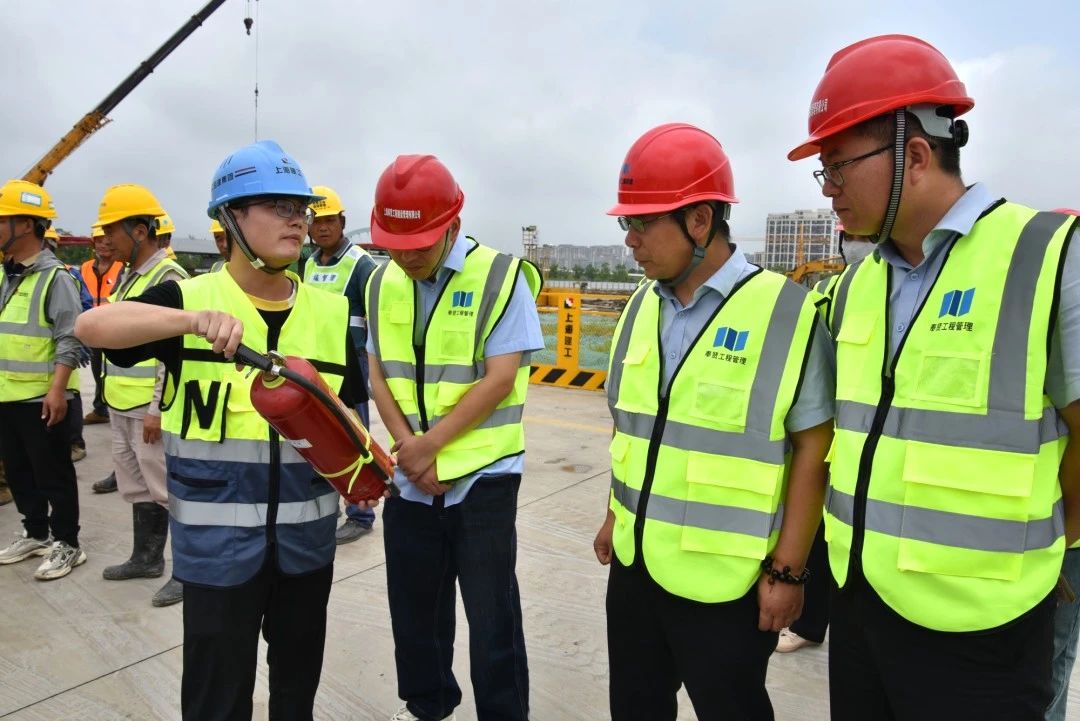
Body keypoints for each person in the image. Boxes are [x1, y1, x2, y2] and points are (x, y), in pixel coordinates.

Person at [789, 35, 1080, 721]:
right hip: (862, 604)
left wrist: (1052, 542)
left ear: (916, 155)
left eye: (838, 167)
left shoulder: (1046, 257)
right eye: (823, 171)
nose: (828, 189)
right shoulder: (857, 284)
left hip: (984, 629)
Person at [76, 140, 378, 721]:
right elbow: (93, 327)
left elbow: (349, 415)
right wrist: (189, 322)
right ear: (229, 218)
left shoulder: (331, 312)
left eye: (301, 207)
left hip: (306, 549)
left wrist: (372, 471)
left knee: (296, 693)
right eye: (277, 205)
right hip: (217, 553)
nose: (297, 219)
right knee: (216, 700)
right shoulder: (189, 299)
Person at [593, 123, 834, 720]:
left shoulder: (786, 312)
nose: (631, 241)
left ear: (700, 220)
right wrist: (614, 515)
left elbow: (815, 448)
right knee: (635, 708)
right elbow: (632, 428)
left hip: (729, 581)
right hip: (636, 565)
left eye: (642, 224)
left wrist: (789, 571)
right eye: (627, 225)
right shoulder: (640, 305)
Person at [366, 154, 542, 721]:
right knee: (414, 611)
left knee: (493, 619)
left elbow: (501, 377)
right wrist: (409, 451)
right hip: (411, 476)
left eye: (419, 242)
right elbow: (377, 372)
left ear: (453, 224)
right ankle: (426, 705)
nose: (407, 255)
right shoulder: (380, 281)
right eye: (395, 243)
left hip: (484, 478)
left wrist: (431, 445)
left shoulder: (500, 277)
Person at [94, 184, 189, 608]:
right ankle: (146, 558)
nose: (105, 239)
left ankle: (186, 572)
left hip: (148, 408)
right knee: (136, 486)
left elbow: (172, 354)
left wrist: (156, 408)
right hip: (120, 401)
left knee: (168, 489)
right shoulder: (128, 276)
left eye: (111, 230)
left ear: (139, 230)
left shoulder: (169, 278)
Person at [0, 179, 87, 580]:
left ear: (26, 225)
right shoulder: (7, 275)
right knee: (19, 471)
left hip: (41, 398)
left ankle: (68, 543)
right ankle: (35, 532)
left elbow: (69, 337)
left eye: (2, 219)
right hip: (7, 395)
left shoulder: (57, 278)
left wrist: (57, 391)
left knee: (53, 474)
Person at [302, 184, 379, 543]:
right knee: (317, 434)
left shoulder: (360, 264)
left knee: (352, 435)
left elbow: (376, 316)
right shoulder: (308, 263)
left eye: (329, 221)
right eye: (316, 221)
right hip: (315, 359)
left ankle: (361, 513)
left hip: (350, 363)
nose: (322, 228)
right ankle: (325, 503)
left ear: (343, 222)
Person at [80, 223, 123, 429]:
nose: (103, 244)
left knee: (113, 369)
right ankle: (100, 409)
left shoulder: (121, 266)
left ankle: (110, 406)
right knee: (97, 369)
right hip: (93, 327)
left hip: (114, 327)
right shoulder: (85, 267)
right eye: (99, 240)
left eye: (107, 240)